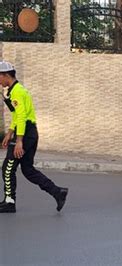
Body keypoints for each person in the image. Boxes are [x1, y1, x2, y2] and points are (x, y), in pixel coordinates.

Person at [0, 61, 68, 213]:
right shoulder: (15, 90)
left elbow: (22, 117)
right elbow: (17, 115)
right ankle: (57, 192)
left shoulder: (17, 92)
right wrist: (10, 131)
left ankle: (10, 202)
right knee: (28, 170)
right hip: (28, 132)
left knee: (7, 168)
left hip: (25, 133)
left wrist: (19, 141)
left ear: (5, 75)